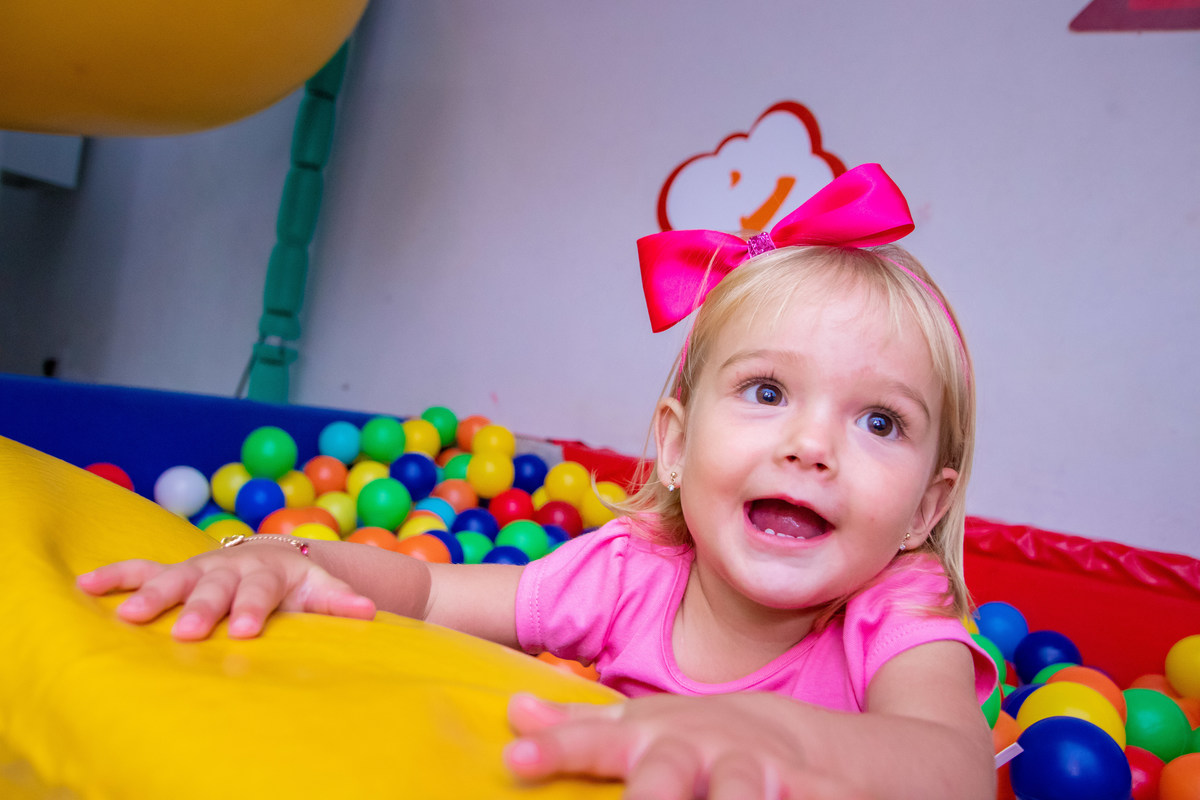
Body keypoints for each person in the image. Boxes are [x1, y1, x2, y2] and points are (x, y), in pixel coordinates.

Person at [78, 164, 998, 799]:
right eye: (767, 391)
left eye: (880, 422)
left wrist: (779, 742)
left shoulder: (897, 611)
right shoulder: (632, 574)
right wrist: (288, 556)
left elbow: (953, 770)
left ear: (926, 506)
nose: (812, 446)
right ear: (674, 446)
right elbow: (433, 588)